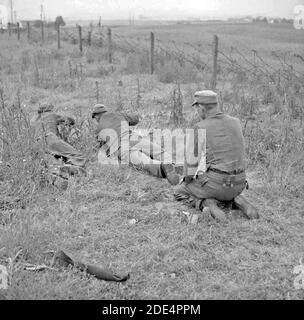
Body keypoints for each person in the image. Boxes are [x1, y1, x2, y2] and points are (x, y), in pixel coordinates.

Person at [174, 90, 259, 221]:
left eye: (197, 110)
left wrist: (186, 181)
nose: (197, 113)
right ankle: (235, 200)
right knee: (221, 185)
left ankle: (207, 203)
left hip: (216, 184)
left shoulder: (200, 126)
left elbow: (191, 166)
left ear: (201, 108)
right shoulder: (236, 122)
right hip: (239, 183)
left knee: (179, 191)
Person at [91, 104, 180, 185]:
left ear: (96, 116)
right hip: (132, 137)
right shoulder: (118, 114)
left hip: (119, 146)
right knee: (157, 151)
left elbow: (102, 148)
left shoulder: (98, 130)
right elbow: (135, 119)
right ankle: (172, 164)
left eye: (95, 118)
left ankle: (162, 168)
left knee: (142, 160)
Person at [32, 103, 87, 177]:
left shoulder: (34, 120)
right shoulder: (52, 115)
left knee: (55, 158)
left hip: (36, 143)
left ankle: (58, 170)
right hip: (49, 138)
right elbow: (71, 120)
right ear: (49, 110)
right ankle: (73, 168)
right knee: (78, 156)